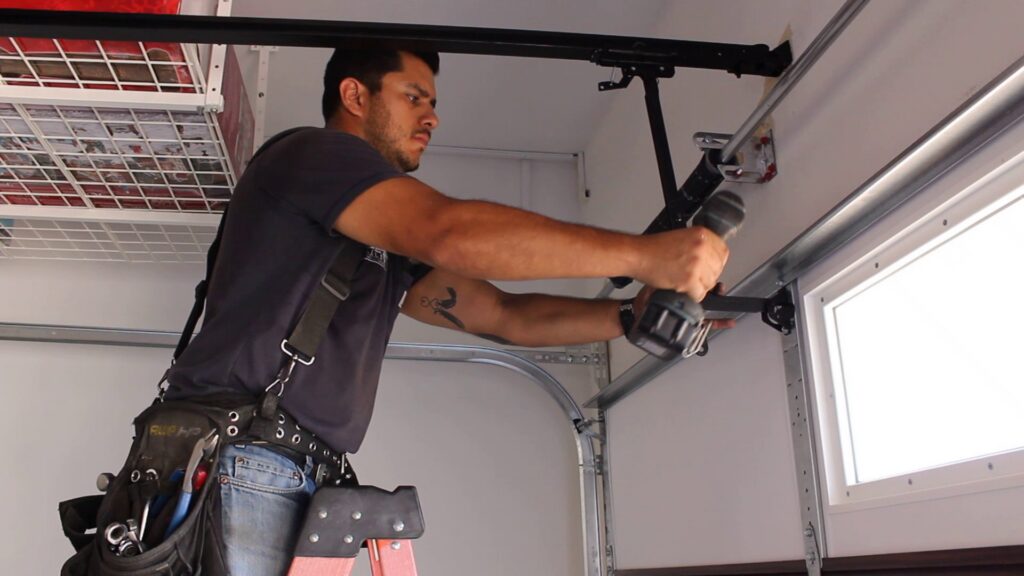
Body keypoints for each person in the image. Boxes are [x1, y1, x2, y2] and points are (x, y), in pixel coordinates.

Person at [163, 46, 730, 575]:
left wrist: (629, 316)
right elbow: (448, 232)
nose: (431, 118)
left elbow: (502, 313)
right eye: (413, 97)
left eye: (432, 104)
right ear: (355, 96)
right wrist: (646, 255)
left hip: (282, 469)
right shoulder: (313, 155)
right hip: (248, 457)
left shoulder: (377, 242)